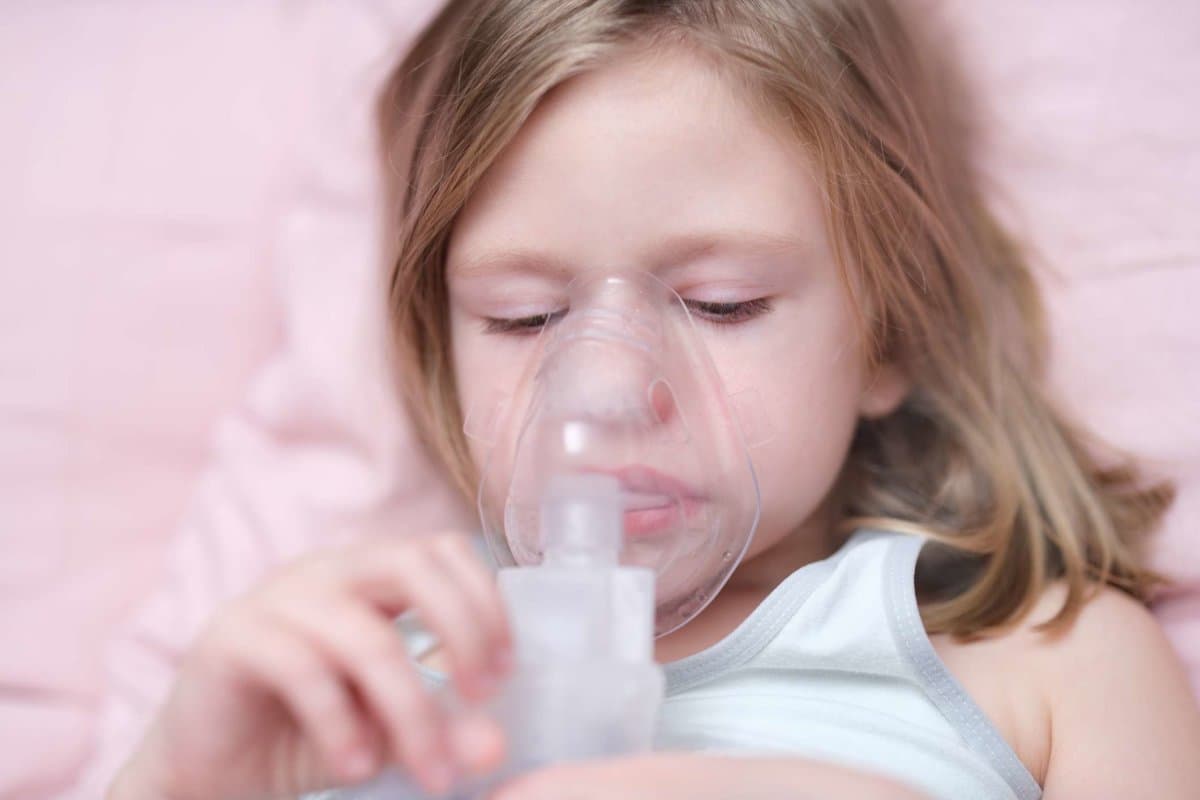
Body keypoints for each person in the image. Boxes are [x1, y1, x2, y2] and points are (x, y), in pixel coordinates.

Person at [108, 1, 1200, 798]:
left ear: (890, 328)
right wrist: (177, 777)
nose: (608, 388)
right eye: (524, 316)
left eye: (723, 303)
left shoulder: (1049, 661)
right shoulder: (367, 676)